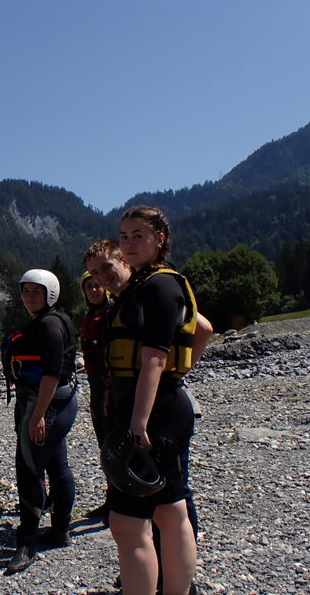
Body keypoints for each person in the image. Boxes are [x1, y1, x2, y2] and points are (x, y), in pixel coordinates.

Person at [91, 206, 206, 595]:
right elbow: (202, 328)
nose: (129, 242)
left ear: (160, 239)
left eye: (139, 235)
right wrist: (180, 374)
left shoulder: (158, 285)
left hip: (152, 413)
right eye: (124, 235)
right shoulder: (149, 285)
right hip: (161, 405)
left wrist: (138, 423)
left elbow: (154, 357)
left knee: (126, 522)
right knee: (170, 511)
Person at [2, 269, 78, 573]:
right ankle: (61, 530)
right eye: (26, 291)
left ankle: (28, 541)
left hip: (46, 402)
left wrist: (38, 416)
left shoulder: (48, 325)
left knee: (28, 467)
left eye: (36, 291)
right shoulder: (52, 320)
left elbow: (51, 373)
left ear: (50, 293)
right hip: (58, 401)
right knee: (57, 464)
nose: (29, 297)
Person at [79, 271, 112, 524]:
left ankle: (121, 500)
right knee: (103, 441)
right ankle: (113, 498)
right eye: (89, 286)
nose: (93, 290)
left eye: (97, 285)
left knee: (113, 441)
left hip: (111, 385)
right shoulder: (89, 316)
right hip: (95, 384)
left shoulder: (112, 313)